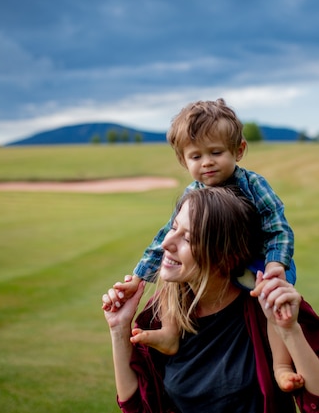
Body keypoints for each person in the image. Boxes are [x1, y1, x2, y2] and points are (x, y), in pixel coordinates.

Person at [102, 187, 319, 413]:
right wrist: (118, 328)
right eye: (173, 228)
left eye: (189, 238)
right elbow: (139, 407)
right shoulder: (165, 312)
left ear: (227, 257)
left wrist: (290, 330)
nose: (167, 243)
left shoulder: (269, 308)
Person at [111, 98, 299, 390]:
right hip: (209, 265)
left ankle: (282, 365)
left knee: (271, 303)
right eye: (196, 156)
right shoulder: (192, 194)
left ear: (238, 150)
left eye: (216, 152)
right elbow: (165, 238)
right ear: (184, 161)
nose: (207, 162)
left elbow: (278, 228)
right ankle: (171, 332)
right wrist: (138, 278)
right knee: (173, 272)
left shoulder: (253, 185)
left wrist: (276, 264)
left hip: (256, 263)